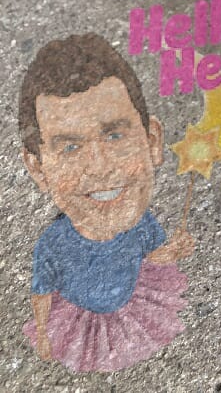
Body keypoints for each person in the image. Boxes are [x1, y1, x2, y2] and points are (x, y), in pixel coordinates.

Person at [19, 33, 194, 373]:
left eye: (115, 135)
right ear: (38, 169)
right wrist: (42, 334)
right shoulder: (52, 244)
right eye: (70, 147)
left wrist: (172, 252)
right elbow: (41, 293)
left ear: (152, 142)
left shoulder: (142, 223)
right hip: (79, 320)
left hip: (129, 308)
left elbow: (151, 257)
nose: (100, 167)